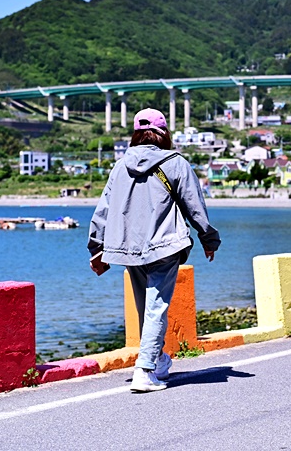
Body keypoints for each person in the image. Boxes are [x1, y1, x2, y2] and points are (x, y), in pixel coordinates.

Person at [87, 108, 220, 392]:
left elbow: (104, 210)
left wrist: (96, 248)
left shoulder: (120, 166)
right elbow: (195, 207)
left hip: (128, 248)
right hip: (164, 245)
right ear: (164, 133)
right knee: (156, 308)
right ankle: (144, 370)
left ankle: (158, 360)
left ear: (136, 134)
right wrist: (209, 240)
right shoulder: (176, 163)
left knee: (145, 308)